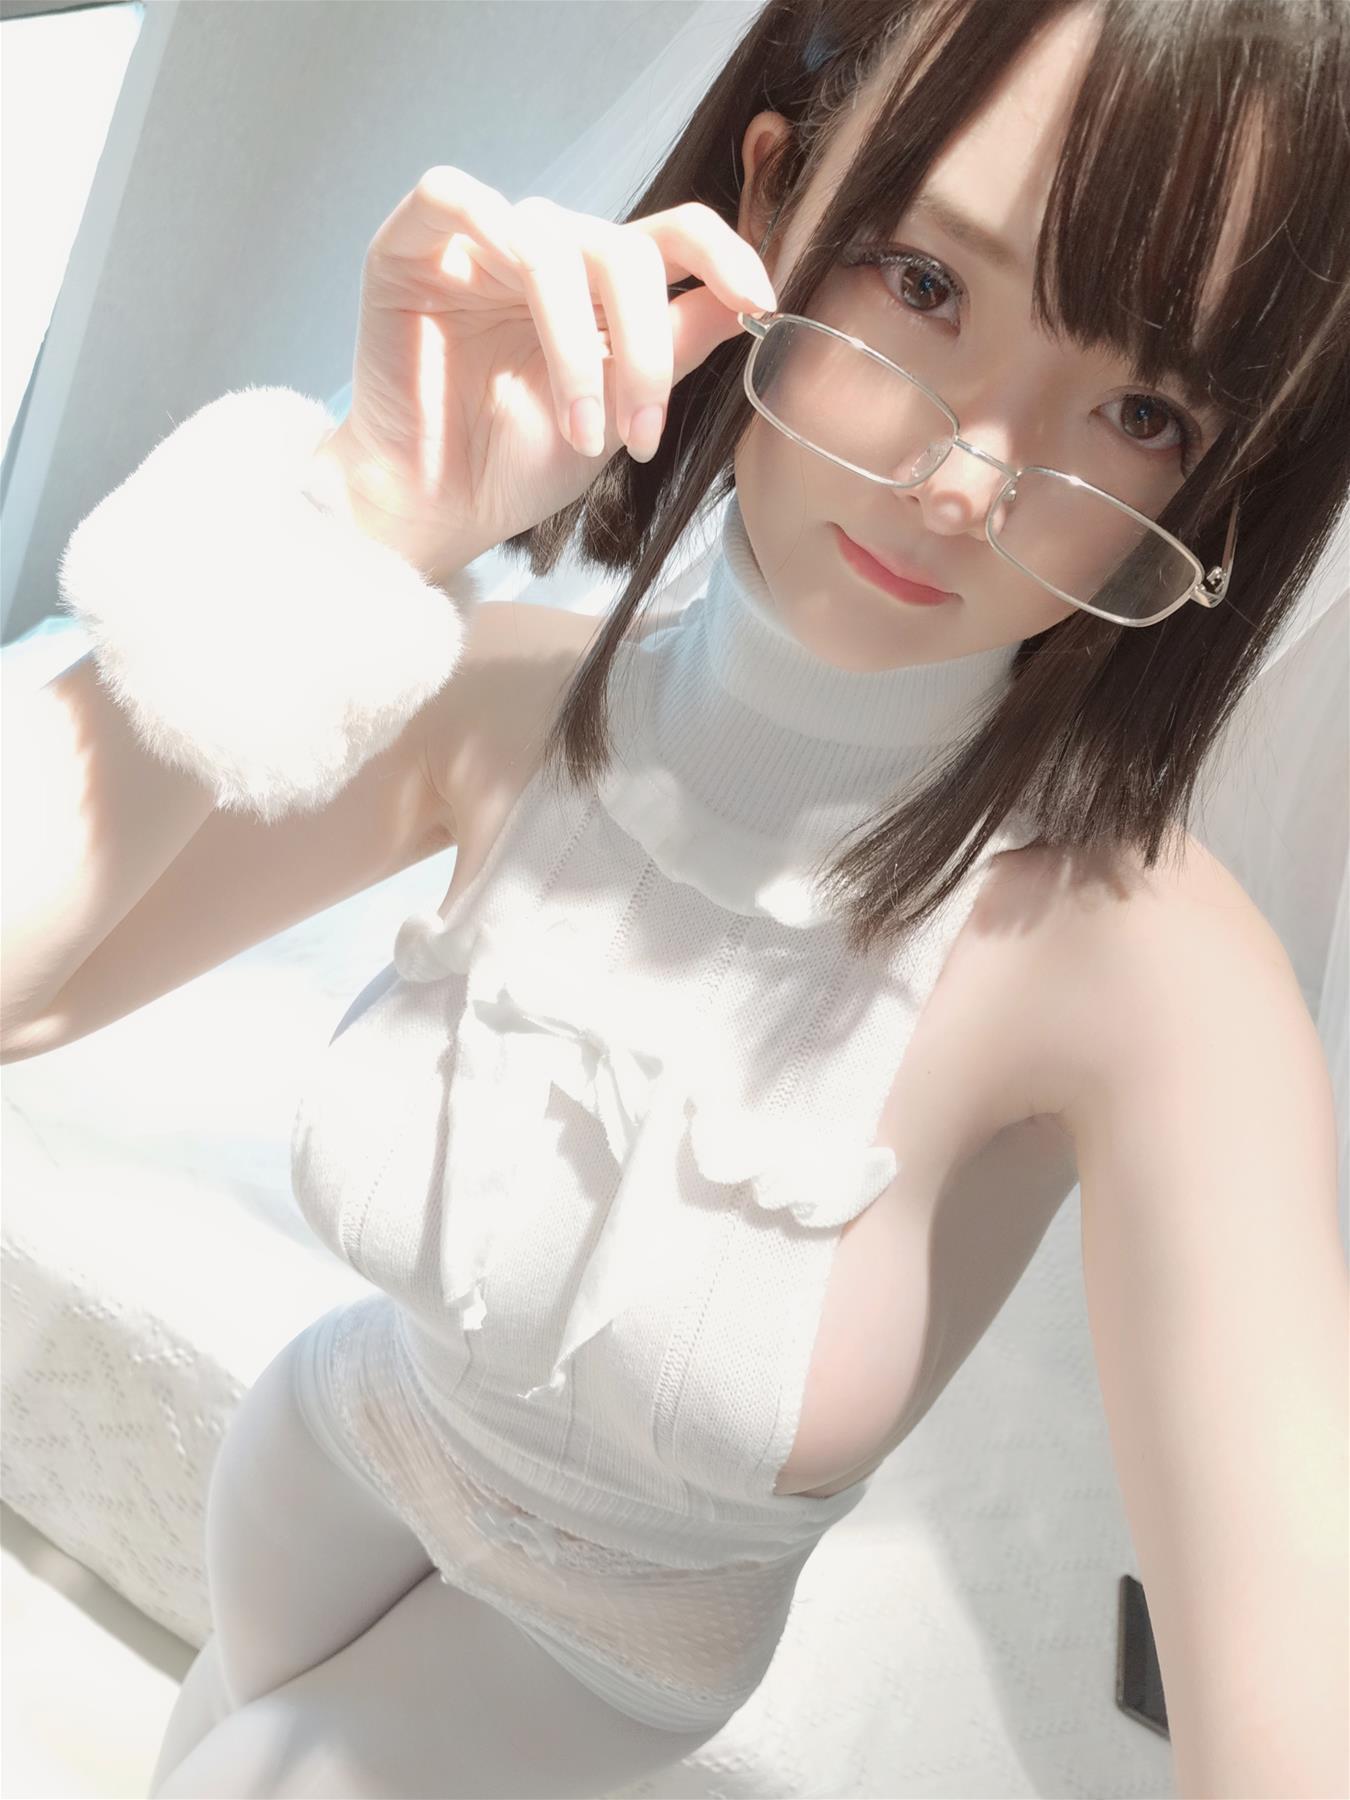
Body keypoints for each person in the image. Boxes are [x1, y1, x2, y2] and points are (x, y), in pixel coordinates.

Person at [3, 0, 1346, 1794]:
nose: (965, 480)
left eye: (1136, 409)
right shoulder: (502, 698)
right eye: (922, 284)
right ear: (768, 202)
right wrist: (353, 518)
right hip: (317, 1460)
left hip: (596, 1648)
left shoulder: (1140, 972)